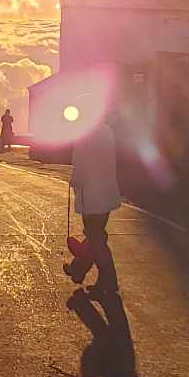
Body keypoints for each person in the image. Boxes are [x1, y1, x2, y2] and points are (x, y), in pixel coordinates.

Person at [64, 118, 122, 298]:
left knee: (96, 239)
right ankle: (78, 269)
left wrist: (75, 181)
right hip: (106, 192)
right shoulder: (106, 130)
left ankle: (108, 281)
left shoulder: (85, 134)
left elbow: (81, 166)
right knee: (95, 236)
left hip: (91, 195)